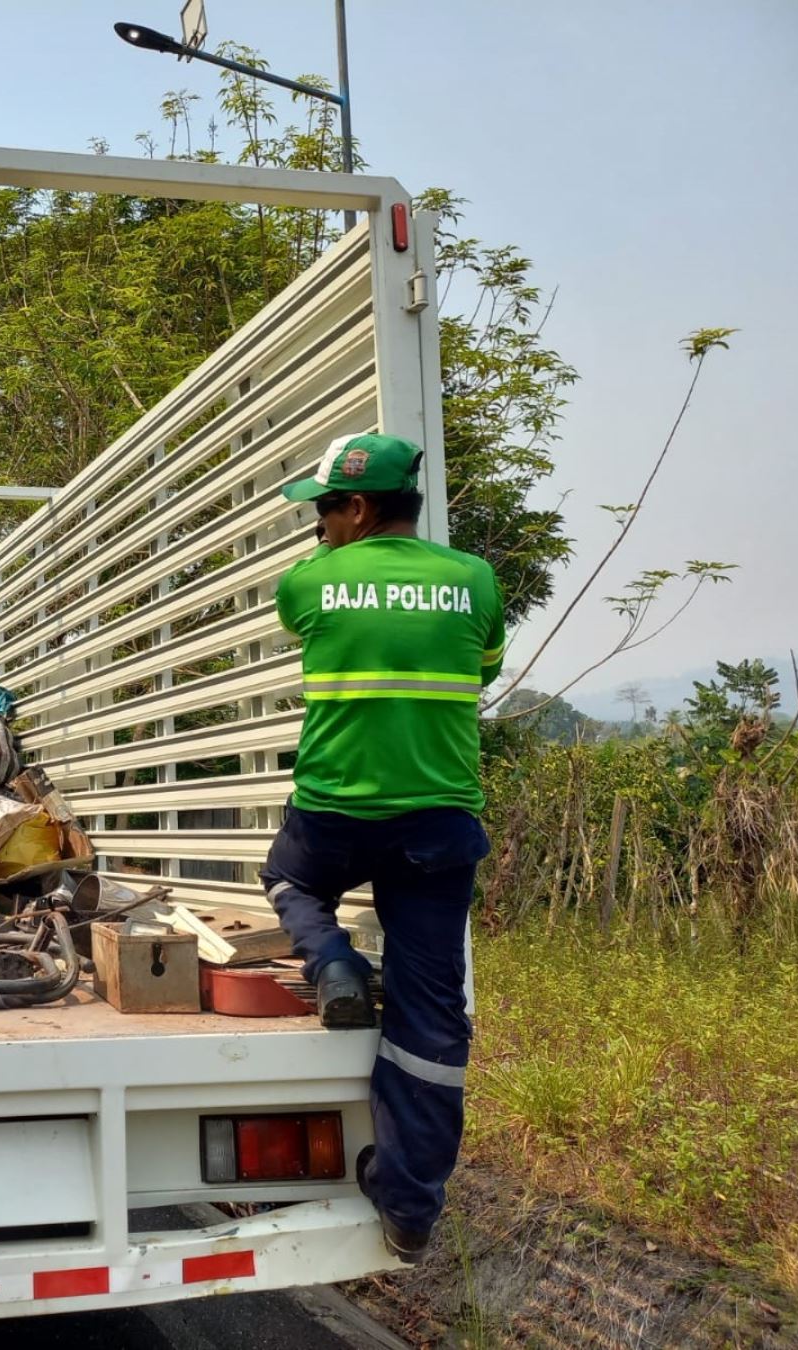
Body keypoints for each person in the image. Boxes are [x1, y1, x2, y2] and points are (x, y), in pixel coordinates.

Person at [258, 432, 504, 1265]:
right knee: (432, 1014)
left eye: (324, 510)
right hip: (437, 825)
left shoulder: (309, 586)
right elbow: (486, 665)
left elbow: (312, 625)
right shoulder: (474, 581)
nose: (318, 527)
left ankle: (331, 961)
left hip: (333, 814)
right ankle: (408, 1211)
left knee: (288, 880)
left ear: (357, 508)